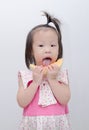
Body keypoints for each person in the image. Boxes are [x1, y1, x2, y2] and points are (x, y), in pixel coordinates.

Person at [17, 11, 71, 130]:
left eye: (53, 45)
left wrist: (52, 80)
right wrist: (35, 82)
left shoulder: (61, 75)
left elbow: (65, 99)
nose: (48, 50)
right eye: (41, 46)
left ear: (59, 48)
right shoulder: (25, 76)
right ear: (31, 51)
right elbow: (22, 102)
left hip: (57, 123)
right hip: (34, 124)